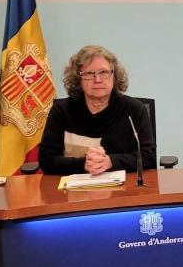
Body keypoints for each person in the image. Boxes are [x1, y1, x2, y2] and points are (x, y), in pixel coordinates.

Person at [39, 45, 156, 176]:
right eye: (89, 74)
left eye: (103, 72)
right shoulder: (61, 111)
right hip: (73, 191)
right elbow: (46, 160)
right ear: (78, 80)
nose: (97, 80)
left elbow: (149, 157)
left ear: (114, 76)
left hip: (123, 191)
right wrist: (84, 164)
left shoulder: (135, 110)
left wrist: (110, 162)